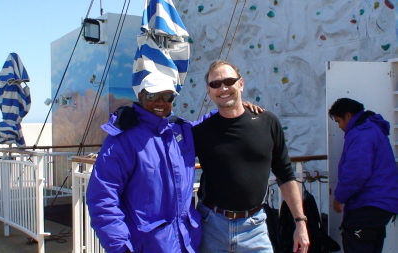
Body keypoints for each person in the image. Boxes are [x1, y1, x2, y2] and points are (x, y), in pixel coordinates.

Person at [193, 60, 309, 252]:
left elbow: (286, 174)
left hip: (254, 228)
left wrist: (300, 223)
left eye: (229, 81)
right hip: (211, 226)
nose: (223, 88)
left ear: (241, 83)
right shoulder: (201, 132)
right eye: (215, 84)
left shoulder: (267, 122)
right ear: (209, 91)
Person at [86, 73, 202, 253]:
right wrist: (120, 247)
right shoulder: (123, 140)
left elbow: (214, 124)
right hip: (147, 247)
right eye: (153, 95)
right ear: (141, 96)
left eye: (167, 96)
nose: (161, 102)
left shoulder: (182, 130)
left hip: (187, 244)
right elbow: (103, 198)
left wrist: (239, 106)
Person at [328, 98, 398, 253]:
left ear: (348, 115)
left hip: (368, 204)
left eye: (339, 121)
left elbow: (356, 173)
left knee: (356, 244)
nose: (339, 126)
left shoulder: (361, 134)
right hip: (382, 204)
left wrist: (340, 198)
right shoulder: (373, 129)